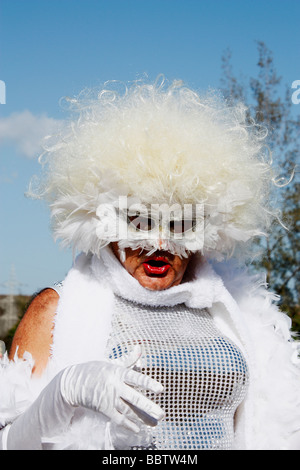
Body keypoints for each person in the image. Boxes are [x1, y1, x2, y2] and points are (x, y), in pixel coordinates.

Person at [0, 78, 299, 450]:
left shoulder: (236, 309)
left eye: (178, 224)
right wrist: (63, 392)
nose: (158, 243)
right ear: (101, 221)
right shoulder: (55, 310)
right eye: (137, 220)